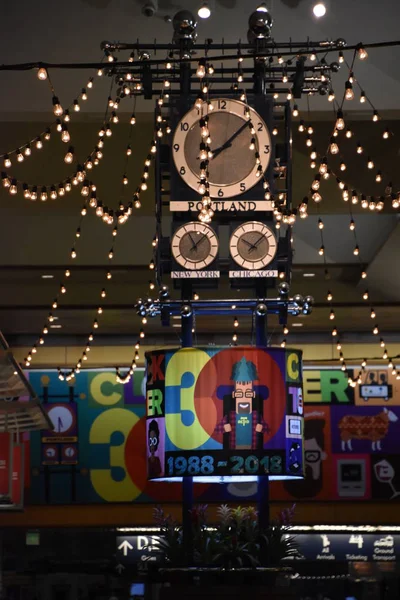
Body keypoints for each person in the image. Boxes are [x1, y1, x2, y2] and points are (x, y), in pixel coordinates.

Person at [215, 357, 269, 450]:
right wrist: (225, 427)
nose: (244, 397)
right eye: (239, 393)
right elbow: (217, 429)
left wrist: (262, 428)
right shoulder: (230, 415)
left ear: (252, 394)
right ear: (234, 394)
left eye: (248, 393)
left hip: (252, 448)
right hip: (234, 448)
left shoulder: (256, 415)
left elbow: (267, 429)